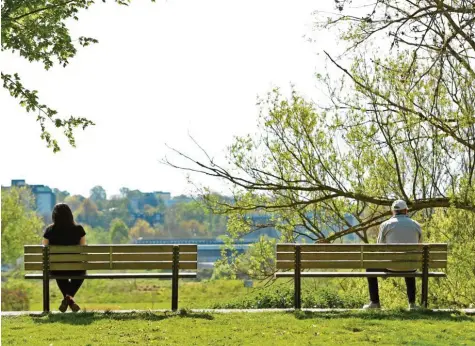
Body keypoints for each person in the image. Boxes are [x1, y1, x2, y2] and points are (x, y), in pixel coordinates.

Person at [363, 199, 422, 310]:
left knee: (370, 268)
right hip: (411, 266)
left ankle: (375, 303)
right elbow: (420, 245)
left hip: (391, 266)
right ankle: (412, 304)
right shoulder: (416, 225)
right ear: (406, 211)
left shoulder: (385, 225)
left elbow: (379, 247)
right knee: (409, 264)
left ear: (393, 212)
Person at [42, 203, 86, 312]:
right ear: (70, 215)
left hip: (57, 268)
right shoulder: (79, 229)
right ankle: (69, 299)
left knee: (58, 272)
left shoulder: (49, 231)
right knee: (82, 272)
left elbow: (44, 249)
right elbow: (83, 248)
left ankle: (68, 300)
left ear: (54, 216)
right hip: (76, 268)